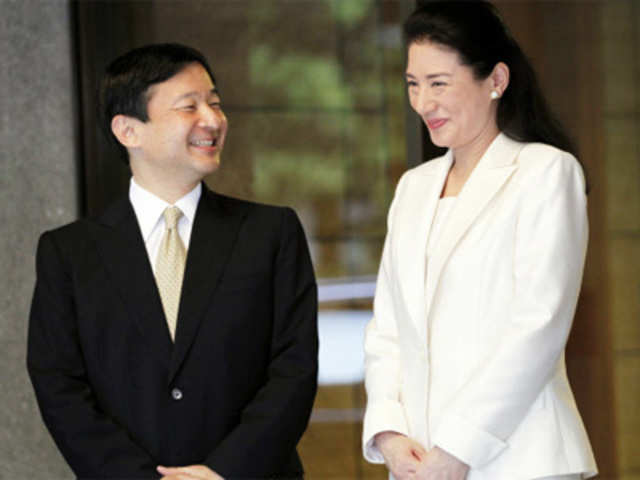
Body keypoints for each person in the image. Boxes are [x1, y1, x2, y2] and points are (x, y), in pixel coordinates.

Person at [27, 43, 318, 480]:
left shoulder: (270, 234)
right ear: (129, 131)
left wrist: (223, 472)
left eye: (215, 103)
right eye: (190, 107)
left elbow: (293, 371)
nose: (213, 120)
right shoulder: (69, 254)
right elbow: (60, 386)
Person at [362, 2, 597, 479]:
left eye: (439, 83)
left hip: (522, 460)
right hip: (420, 464)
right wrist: (389, 434)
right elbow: (387, 327)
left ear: (496, 81)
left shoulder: (545, 172)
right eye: (413, 84)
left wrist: (458, 449)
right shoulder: (413, 187)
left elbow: (539, 324)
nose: (423, 103)